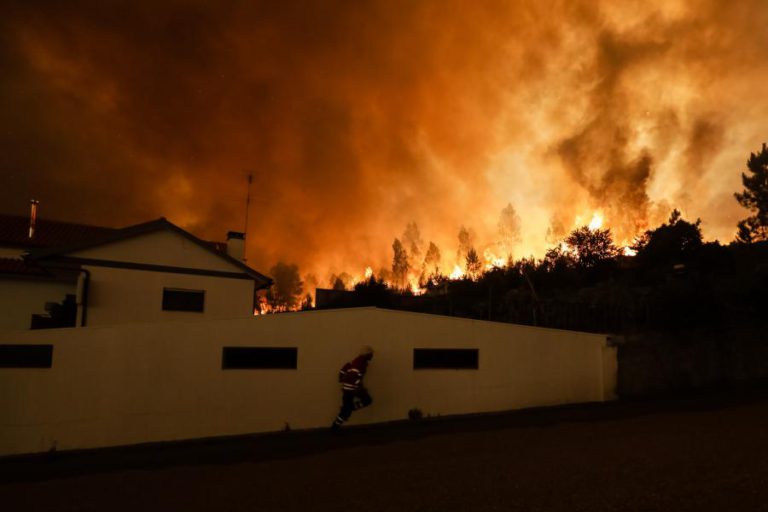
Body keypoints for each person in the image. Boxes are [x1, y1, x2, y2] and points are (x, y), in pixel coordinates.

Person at [331, 346, 374, 429]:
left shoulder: (356, 360)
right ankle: (335, 427)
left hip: (349, 388)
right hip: (352, 389)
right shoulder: (361, 362)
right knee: (367, 400)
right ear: (367, 354)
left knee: (347, 409)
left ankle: (336, 425)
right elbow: (355, 375)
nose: (372, 356)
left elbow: (345, 368)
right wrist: (358, 386)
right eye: (371, 354)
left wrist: (341, 378)